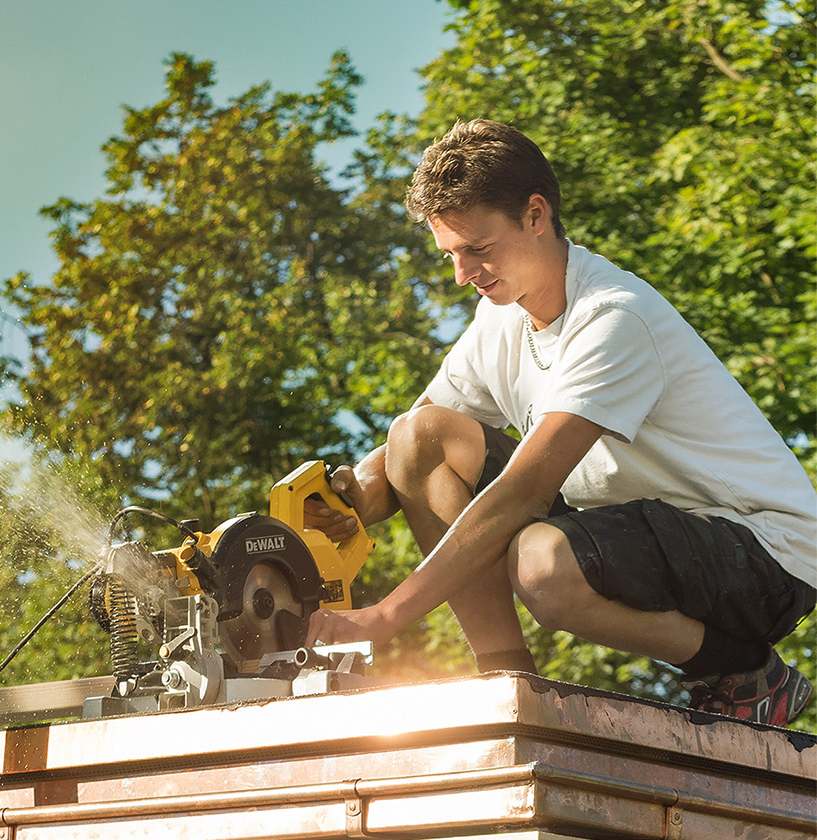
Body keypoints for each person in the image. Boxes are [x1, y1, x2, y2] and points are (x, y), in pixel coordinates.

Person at [302, 120, 817, 727]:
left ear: (536, 215)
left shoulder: (613, 317)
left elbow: (526, 491)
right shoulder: (500, 320)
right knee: (419, 435)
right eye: (451, 255)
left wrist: (384, 617)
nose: (462, 274)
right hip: (647, 531)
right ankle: (507, 679)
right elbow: (413, 446)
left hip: (764, 553)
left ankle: (742, 670)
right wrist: (350, 498)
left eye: (478, 250)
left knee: (541, 562)